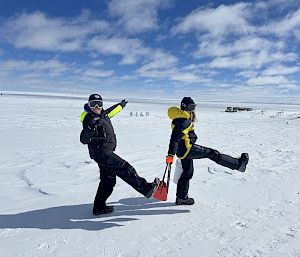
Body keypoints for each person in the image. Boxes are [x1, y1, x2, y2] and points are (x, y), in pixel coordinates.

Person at [80, 94, 159, 215]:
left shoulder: (103, 114)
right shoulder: (89, 118)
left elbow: (112, 111)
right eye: (93, 104)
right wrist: (90, 128)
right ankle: (147, 189)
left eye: (99, 104)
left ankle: (99, 207)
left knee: (108, 181)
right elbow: (84, 139)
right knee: (125, 168)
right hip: (103, 153)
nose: (97, 107)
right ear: (88, 105)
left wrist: (121, 105)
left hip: (103, 153)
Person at [166, 97, 249, 205]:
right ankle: (238, 164)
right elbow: (174, 139)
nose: (193, 109)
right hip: (187, 149)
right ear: (184, 107)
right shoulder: (183, 121)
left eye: (194, 107)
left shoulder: (181, 117)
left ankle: (182, 198)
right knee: (212, 153)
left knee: (187, 172)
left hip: (183, 151)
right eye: (191, 107)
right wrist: (170, 155)